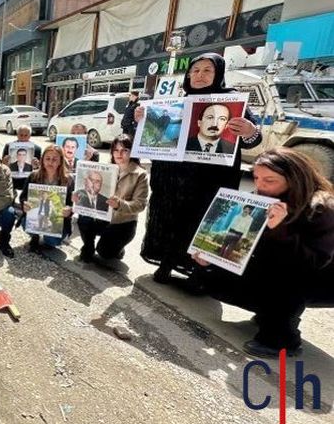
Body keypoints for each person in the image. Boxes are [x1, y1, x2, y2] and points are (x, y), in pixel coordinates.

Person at [136, 53, 262, 287]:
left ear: (219, 75)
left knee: (205, 221)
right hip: (174, 182)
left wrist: (249, 130)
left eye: (207, 70)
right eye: (195, 71)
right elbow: (154, 136)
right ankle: (167, 262)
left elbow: (251, 139)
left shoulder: (231, 101)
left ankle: (199, 272)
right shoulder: (177, 101)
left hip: (209, 182)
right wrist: (143, 119)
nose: (200, 75)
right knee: (171, 220)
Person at [194, 148, 334, 357]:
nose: (260, 185)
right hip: (284, 264)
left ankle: (283, 339)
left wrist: (280, 229)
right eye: (257, 178)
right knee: (215, 276)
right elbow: (247, 245)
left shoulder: (321, 207)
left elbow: (314, 263)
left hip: (321, 278)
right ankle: (272, 313)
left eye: (269, 180)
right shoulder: (261, 198)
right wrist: (211, 258)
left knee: (285, 278)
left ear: (294, 179)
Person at [74, 135, 149, 263]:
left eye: (124, 150)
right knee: (84, 217)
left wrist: (120, 204)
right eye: (116, 150)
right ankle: (88, 247)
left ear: (132, 152)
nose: (119, 154)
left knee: (105, 253)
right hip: (103, 217)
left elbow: (140, 205)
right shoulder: (107, 169)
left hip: (123, 223)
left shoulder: (140, 174)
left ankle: (118, 248)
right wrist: (79, 198)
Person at [20, 144, 73, 252]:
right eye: (47, 159)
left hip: (57, 219)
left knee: (52, 241)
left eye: (54, 159)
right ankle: (34, 237)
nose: (50, 162)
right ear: (42, 160)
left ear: (60, 161)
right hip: (37, 214)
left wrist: (69, 210)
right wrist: (24, 204)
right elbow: (23, 196)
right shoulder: (33, 176)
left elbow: (72, 203)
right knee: (28, 223)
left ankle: (49, 240)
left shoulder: (68, 180)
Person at [1, 125, 42, 190]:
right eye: (21, 135)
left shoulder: (37, 149)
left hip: (28, 179)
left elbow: (40, 170)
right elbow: (2, 166)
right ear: (17, 135)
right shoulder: (9, 146)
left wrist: (36, 166)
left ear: (30, 136)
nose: (23, 138)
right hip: (12, 178)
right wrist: (4, 163)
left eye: (26, 135)